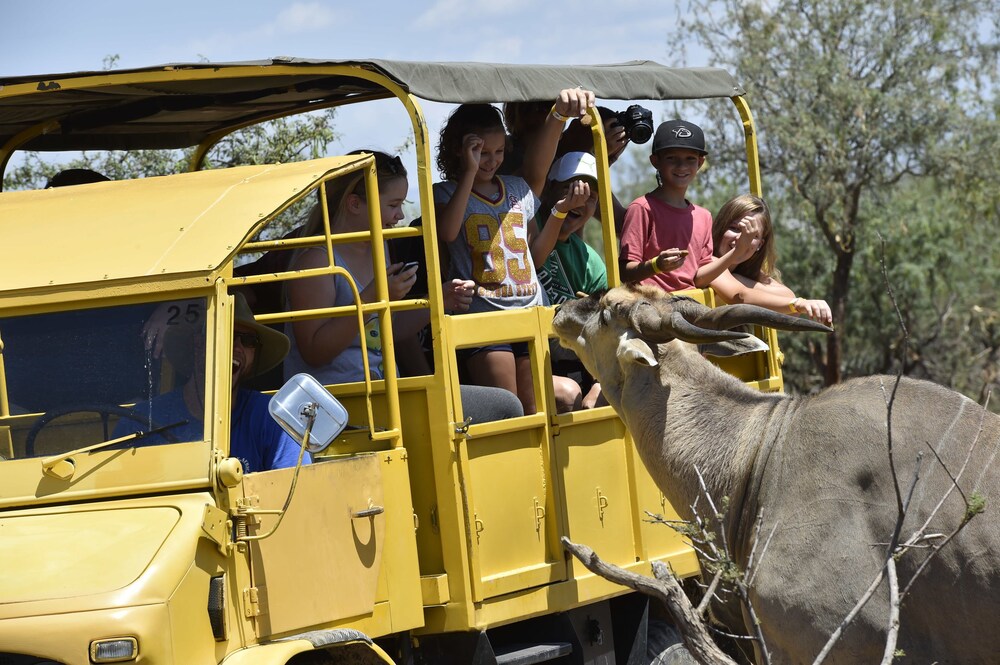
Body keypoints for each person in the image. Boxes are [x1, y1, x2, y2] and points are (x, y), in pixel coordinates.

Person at [285, 149, 524, 422]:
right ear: (354, 204)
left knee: (504, 407)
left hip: (384, 394)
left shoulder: (378, 249)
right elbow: (315, 351)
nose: (400, 215)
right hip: (333, 405)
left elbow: (388, 329)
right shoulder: (317, 261)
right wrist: (373, 296)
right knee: (502, 409)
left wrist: (438, 301)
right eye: (393, 205)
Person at [434, 99, 591, 414]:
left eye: (498, 152)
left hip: (530, 315)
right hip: (484, 320)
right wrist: (468, 170)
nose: (490, 161)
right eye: (481, 153)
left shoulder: (518, 189)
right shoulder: (446, 193)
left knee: (537, 412)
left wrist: (558, 212)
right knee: (508, 411)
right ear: (459, 150)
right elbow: (448, 233)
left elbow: (536, 256)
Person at [117, 293, 309, 473]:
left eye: (249, 341)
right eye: (228, 333)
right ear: (199, 342)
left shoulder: (275, 421)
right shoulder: (138, 422)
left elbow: (294, 495)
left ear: (254, 355)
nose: (237, 347)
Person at [619, 119, 760, 292]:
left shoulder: (703, 217)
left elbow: (699, 279)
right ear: (655, 161)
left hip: (690, 305)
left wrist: (736, 253)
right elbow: (624, 273)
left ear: (700, 163)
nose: (682, 166)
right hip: (650, 305)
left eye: (690, 159)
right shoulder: (642, 208)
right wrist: (656, 266)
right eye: (672, 158)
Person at [535, 151, 610, 409]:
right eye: (570, 189)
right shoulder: (527, 229)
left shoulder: (590, 260)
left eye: (590, 196)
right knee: (570, 393)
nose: (579, 199)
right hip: (532, 356)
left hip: (575, 359)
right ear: (548, 190)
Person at [710, 194, 833, 324]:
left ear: (760, 245)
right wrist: (798, 303)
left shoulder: (744, 272)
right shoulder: (709, 261)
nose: (742, 239)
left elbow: (789, 299)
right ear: (720, 228)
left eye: (752, 235)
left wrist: (739, 279)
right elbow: (740, 296)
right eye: (734, 229)